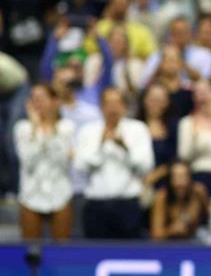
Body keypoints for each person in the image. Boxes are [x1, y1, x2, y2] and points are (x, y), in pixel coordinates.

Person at [73, 87, 154, 239]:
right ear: (101, 107)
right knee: (94, 254)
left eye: (116, 103)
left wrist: (124, 148)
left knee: (129, 256)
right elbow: (80, 166)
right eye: (108, 103)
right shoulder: (88, 131)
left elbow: (145, 166)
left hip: (128, 205)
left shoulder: (137, 129)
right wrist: (101, 145)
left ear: (124, 106)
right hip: (96, 205)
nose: (112, 108)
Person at [14, 84, 75, 240]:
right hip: (30, 195)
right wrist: (35, 129)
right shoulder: (23, 128)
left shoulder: (67, 127)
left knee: (62, 250)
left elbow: (62, 161)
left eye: (41, 99)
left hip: (60, 194)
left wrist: (51, 130)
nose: (37, 104)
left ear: (54, 101)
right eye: (33, 99)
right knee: (30, 248)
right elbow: (28, 161)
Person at [150, 161, 210, 241]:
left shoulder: (199, 193)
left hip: (196, 242)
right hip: (169, 246)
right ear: (170, 180)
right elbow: (156, 235)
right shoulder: (162, 197)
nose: (181, 183)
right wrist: (171, 230)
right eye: (176, 177)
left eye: (184, 177)